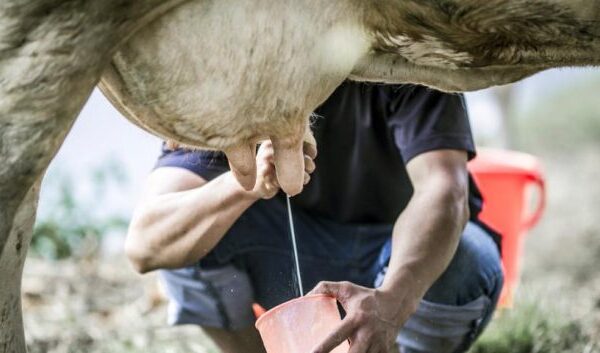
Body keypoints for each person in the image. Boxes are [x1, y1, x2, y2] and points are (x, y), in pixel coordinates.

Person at [125, 81, 503, 353]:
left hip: (402, 263)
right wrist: (246, 184)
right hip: (300, 265)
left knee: (466, 257)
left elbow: (445, 191)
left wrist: (393, 300)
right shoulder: (231, 85)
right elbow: (146, 244)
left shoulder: (409, 56)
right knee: (186, 239)